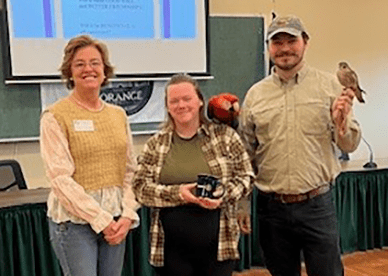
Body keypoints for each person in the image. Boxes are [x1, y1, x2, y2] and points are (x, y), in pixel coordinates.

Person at [239, 15, 361, 276]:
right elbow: (245, 155)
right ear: (269, 48)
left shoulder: (330, 86)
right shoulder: (255, 95)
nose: (284, 48)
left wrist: (341, 126)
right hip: (271, 209)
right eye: (277, 42)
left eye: (291, 40)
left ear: (305, 42)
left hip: (317, 205)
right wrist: (242, 204)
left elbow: (349, 145)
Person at [132, 73, 256, 276]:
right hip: (170, 251)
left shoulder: (225, 137)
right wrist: (178, 193)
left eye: (186, 98)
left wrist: (222, 195)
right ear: (168, 106)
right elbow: (140, 188)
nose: (181, 105)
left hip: (219, 248)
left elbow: (246, 177)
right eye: (174, 101)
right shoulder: (156, 144)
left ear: (199, 101)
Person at [40, 35, 140, 276]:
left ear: (104, 71)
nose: (88, 69)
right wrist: (101, 219)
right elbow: (60, 179)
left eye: (95, 63)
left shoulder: (118, 115)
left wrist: (127, 214)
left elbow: (130, 171)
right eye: (80, 64)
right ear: (69, 72)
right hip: (74, 225)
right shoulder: (55, 116)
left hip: (116, 220)